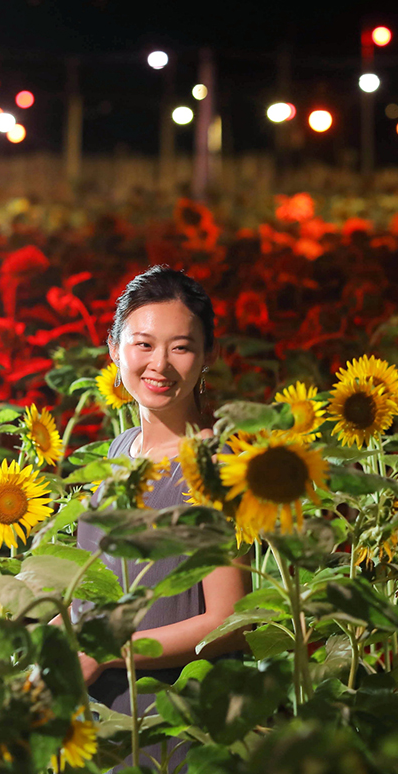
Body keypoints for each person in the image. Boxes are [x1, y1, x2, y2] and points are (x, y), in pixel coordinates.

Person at [71, 265, 249, 769]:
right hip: (102, 720)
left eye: (181, 347)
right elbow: (93, 593)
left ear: (209, 355)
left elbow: (229, 621)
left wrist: (104, 652)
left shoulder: (212, 465)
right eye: (143, 344)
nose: (160, 364)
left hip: (175, 723)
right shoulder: (117, 453)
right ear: (115, 349)